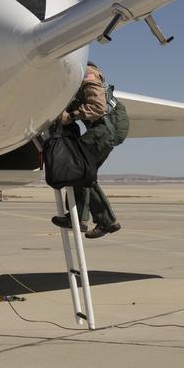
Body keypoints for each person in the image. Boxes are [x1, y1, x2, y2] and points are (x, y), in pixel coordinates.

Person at [49, 63, 130, 239]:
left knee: (76, 168)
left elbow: (98, 107)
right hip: (105, 129)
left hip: (105, 129)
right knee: (86, 174)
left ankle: (78, 219)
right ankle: (106, 221)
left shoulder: (86, 73)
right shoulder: (76, 78)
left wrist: (70, 117)